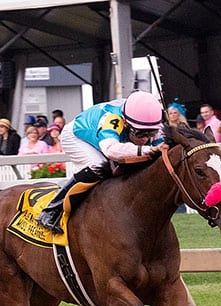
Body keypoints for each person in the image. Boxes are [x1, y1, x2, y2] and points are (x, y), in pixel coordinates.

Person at [36, 90, 166, 234]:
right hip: (77, 136)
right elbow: (111, 150)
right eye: (140, 133)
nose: (145, 139)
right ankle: (51, 210)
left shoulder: (153, 124)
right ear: (125, 123)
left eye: (150, 134)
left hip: (109, 139)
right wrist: (146, 150)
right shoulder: (112, 119)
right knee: (98, 166)